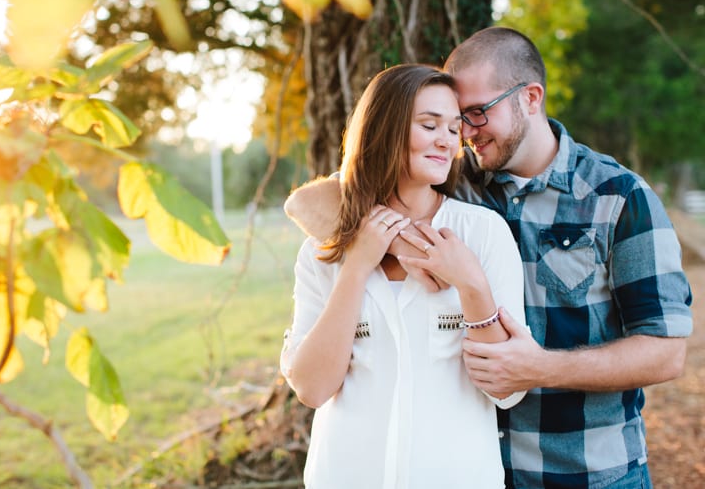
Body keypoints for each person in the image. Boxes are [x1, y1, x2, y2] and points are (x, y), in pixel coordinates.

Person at [283, 27, 693, 489]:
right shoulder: (459, 183)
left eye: (475, 114)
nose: (464, 134)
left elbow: (666, 352)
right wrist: (398, 245)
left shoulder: (617, 197)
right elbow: (311, 204)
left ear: (531, 97)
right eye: (456, 120)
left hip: (586, 470)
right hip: (484, 465)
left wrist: (537, 366)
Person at [280, 63, 527, 489]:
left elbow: (507, 390)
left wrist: (471, 283)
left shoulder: (480, 233)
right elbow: (313, 389)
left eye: (453, 129)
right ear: (385, 130)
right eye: (429, 124)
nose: (446, 140)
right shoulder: (324, 248)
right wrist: (357, 266)